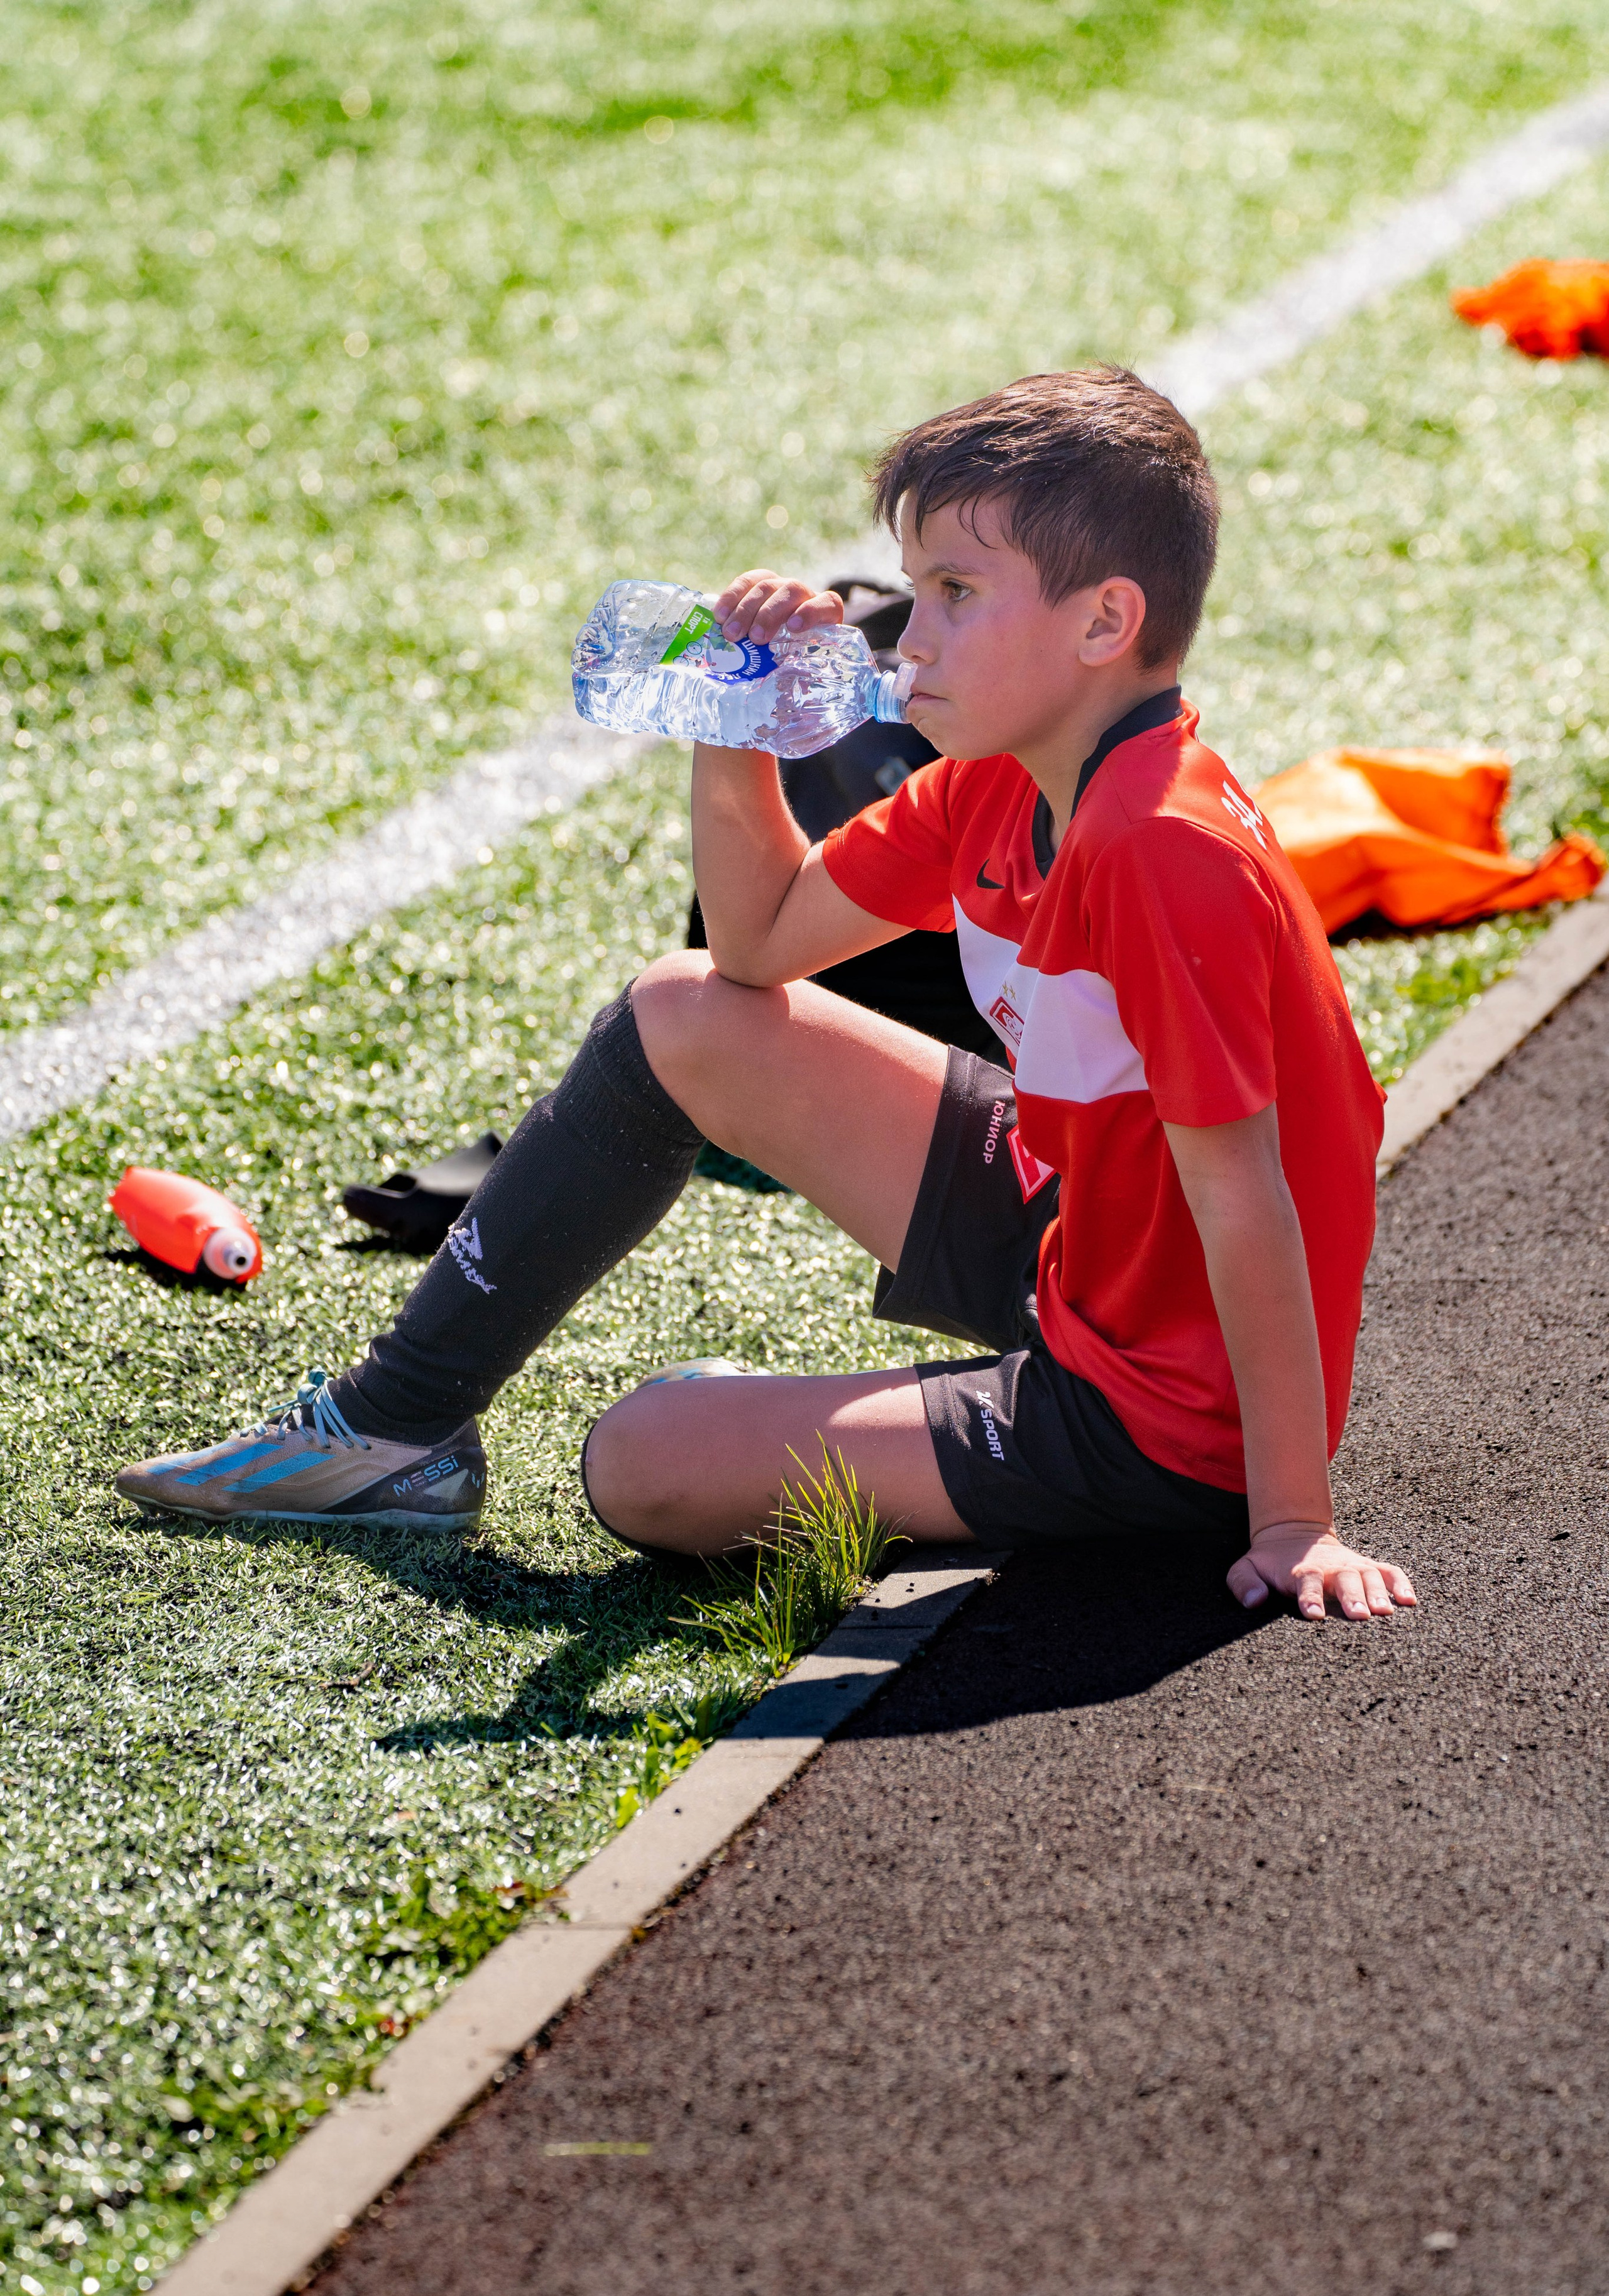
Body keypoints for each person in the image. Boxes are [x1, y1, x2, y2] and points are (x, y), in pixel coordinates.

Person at [117, 368, 1415, 1624]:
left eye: (956, 594)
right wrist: (730, 720)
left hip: (1166, 1416)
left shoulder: (1156, 846)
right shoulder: (1003, 777)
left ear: (1102, 622)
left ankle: (782, 1437)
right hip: (1077, 1244)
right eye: (915, 591)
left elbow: (1249, 1202)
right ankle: (392, 1428)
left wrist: (1288, 1517)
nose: (909, 637)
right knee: (680, 1010)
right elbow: (756, 945)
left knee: (638, 1464)